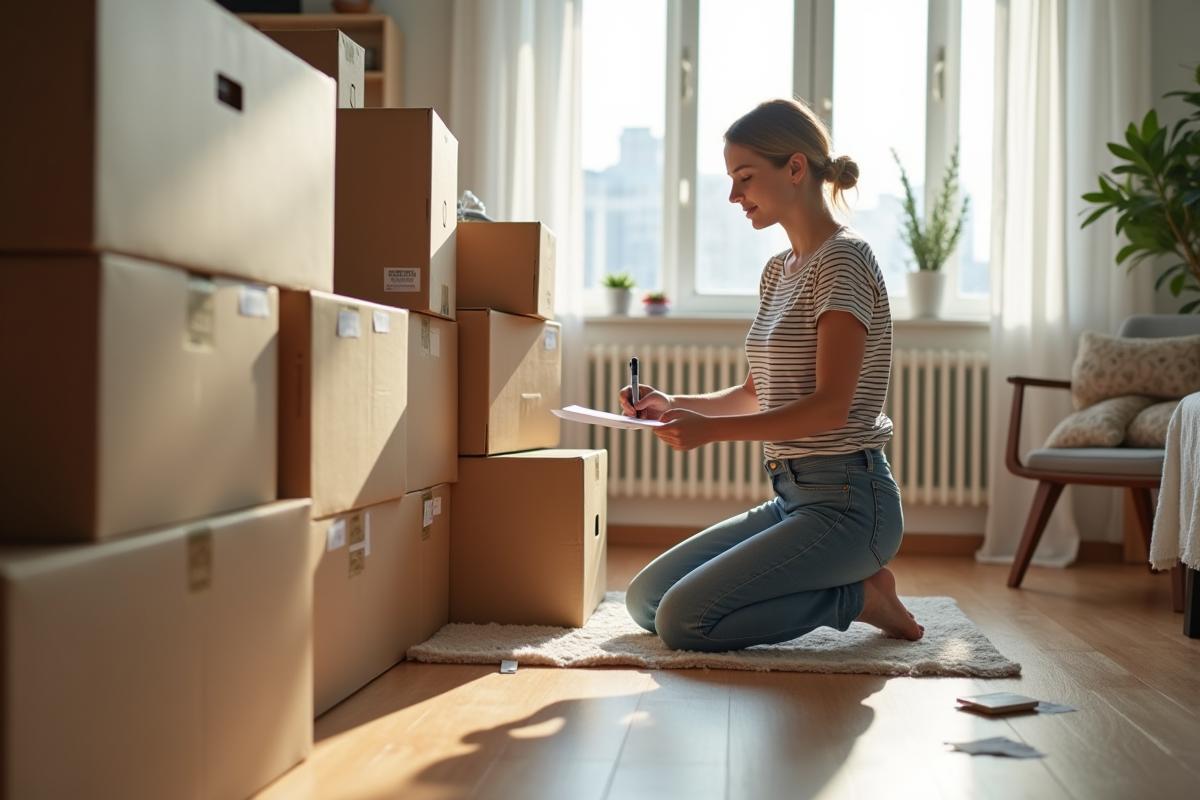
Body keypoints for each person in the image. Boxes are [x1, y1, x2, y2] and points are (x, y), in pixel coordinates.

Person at [619, 98, 923, 652]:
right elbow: (756, 393)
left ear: (795, 169)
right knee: (644, 601)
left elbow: (831, 406)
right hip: (791, 496)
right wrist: (672, 403)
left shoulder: (845, 260)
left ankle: (859, 599)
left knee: (682, 621)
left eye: (745, 178)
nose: (735, 196)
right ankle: (847, 589)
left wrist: (708, 432)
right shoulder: (778, 271)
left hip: (852, 503)